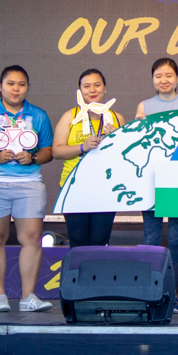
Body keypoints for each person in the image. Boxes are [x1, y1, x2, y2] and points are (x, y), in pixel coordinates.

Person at [0, 65, 54, 313]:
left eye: (22, 84)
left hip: (28, 184)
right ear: (1, 86)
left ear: (27, 87)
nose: (16, 89)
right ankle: (0, 296)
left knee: (31, 239)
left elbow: (48, 150)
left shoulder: (38, 115)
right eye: (11, 84)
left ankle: (28, 297)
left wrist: (33, 158)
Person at [136, 58, 178, 313]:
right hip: (149, 179)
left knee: (176, 239)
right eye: (159, 76)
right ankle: (151, 292)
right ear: (152, 79)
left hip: (177, 179)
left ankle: (171, 294)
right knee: (151, 238)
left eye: (169, 75)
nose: (164, 80)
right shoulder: (144, 106)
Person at [53, 69, 125, 247]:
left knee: (101, 241)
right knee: (78, 241)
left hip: (106, 188)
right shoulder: (70, 117)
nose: (92, 90)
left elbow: (125, 157)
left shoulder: (117, 118)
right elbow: (56, 151)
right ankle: (78, 275)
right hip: (74, 186)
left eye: (97, 85)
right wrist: (82, 147)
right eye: (87, 86)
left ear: (105, 88)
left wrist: (115, 140)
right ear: (80, 91)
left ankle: (97, 275)